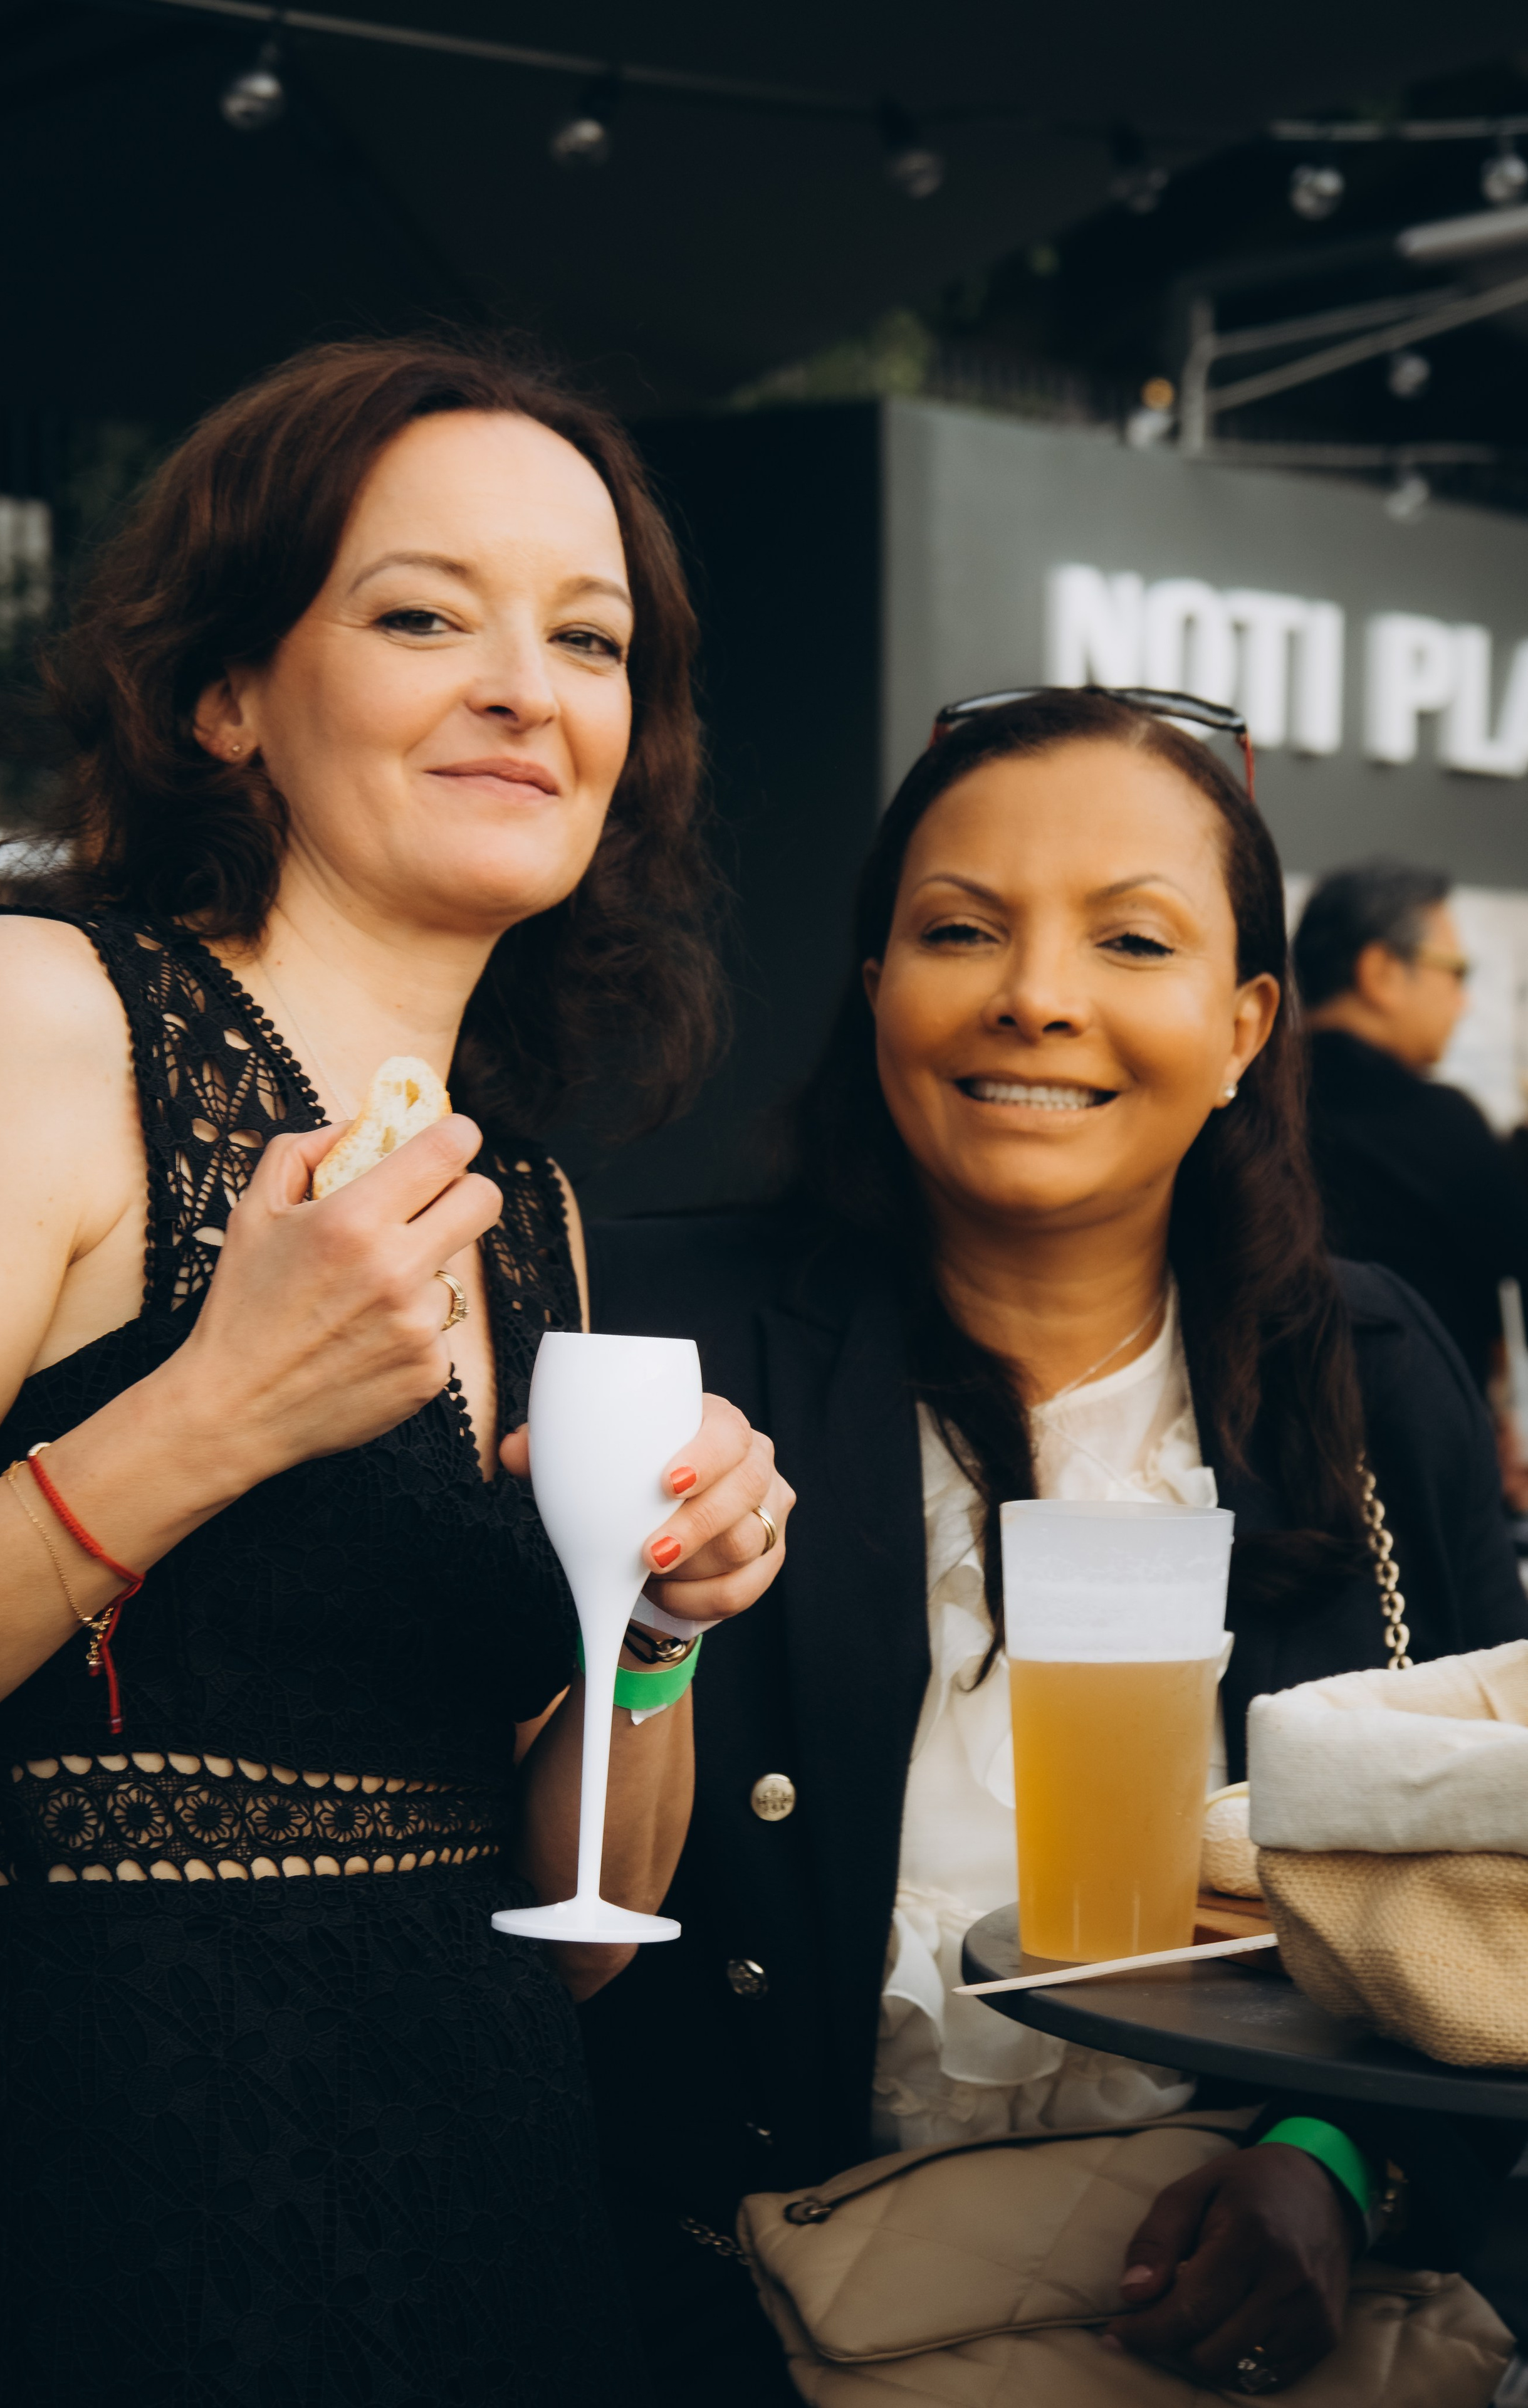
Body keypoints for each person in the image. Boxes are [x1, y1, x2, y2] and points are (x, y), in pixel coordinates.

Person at [0, 335, 793, 2407]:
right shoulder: (37, 1024)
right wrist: (218, 1410)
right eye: (424, 615)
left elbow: (581, 1934)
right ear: (229, 695)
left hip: (475, 2231)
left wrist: (655, 1629)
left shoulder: (539, 1216)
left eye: (589, 641)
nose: (527, 686)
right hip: (85, 2227)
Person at [583, 690, 1528, 2402]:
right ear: (875, 985)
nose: (1036, 993)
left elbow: (1484, 1916)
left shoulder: (1375, 1378)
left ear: (1249, 1022)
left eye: (1132, 939)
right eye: (960, 929)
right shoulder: (668, 1342)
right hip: (739, 2335)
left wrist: (1328, 2159)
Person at [1294, 859, 1528, 1398]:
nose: (1463, 1001)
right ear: (1382, 973)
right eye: (1456, 972)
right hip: (1418, 1454)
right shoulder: (1445, 1125)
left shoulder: (1237, 1107)